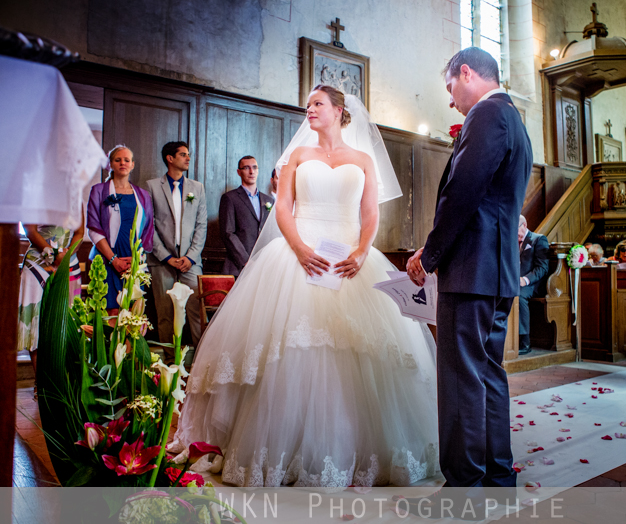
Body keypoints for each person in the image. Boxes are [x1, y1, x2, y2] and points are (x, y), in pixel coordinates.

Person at [170, 86, 438, 489]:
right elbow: (282, 208)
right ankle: (277, 449)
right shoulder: (297, 155)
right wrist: (299, 248)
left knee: (355, 352)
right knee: (288, 349)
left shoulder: (363, 160)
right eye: (308, 105)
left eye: (317, 104)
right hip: (298, 257)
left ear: (338, 111)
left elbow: (369, 214)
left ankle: (358, 449)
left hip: (349, 259)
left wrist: (363, 252)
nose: (309, 110)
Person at [407, 47, 532, 492]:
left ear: (466, 73)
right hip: (496, 273)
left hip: (470, 271)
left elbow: (462, 193)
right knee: (487, 375)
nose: (450, 99)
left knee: (461, 381)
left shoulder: (486, 116)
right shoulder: (515, 120)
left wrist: (429, 254)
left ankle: (463, 490)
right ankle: (497, 476)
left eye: (450, 88)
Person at [147, 141, 207, 348]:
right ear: (169, 158)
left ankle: (200, 360)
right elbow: (149, 226)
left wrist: (190, 257)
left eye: (188, 154)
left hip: (191, 262)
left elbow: (201, 224)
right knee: (165, 314)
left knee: (197, 314)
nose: (188, 158)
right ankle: (170, 365)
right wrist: (166, 257)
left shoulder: (197, 188)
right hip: (162, 262)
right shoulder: (152, 186)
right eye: (183, 154)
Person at [18, 218, 84, 398]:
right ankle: (42, 383)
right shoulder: (34, 191)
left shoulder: (73, 193)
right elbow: (30, 229)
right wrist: (52, 253)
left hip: (69, 263)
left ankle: (63, 381)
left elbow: (79, 232)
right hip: (37, 264)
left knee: (69, 322)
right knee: (36, 322)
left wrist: (67, 254)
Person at [86, 146, 155, 316]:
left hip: (133, 261)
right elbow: (94, 229)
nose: (122, 163)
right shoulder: (99, 191)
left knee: (133, 314)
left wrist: (136, 258)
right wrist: (114, 260)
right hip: (107, 258)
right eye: (118, 160)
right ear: (110, 164)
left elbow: (148, 230)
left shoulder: (143, 195)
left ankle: (128, 344)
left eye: (126, 160)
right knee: (112, 312)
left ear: (132, 165)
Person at [218, 155, 271, 277]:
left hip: (265, 263)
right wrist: (246, 261)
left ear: (258, 170)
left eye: (254, 167)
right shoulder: (230, 198)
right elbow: (228, 233)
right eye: (246, 168)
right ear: (239, 172)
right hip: (239, 265)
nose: (251, 171)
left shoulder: (268, 200)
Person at [517, 215, 549, 355]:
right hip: (516, 281)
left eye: (515, 229)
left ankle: (525, 341)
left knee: (518, 295)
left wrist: (525, 279)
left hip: (534, 284)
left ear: (524, 225)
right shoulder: (511, 241)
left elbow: (542, 268)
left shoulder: (538, 239)